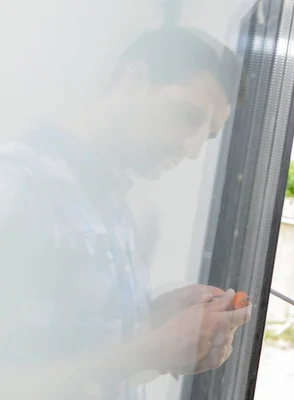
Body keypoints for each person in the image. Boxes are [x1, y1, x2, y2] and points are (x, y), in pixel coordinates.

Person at [0, 27, 250, 399]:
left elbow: (55, 346)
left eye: (208, 134)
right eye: (187, 115)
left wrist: (150, 324)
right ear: (133, 79)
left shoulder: (113, 205)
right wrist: (150, 349)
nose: (192, 148)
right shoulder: (17, 181)